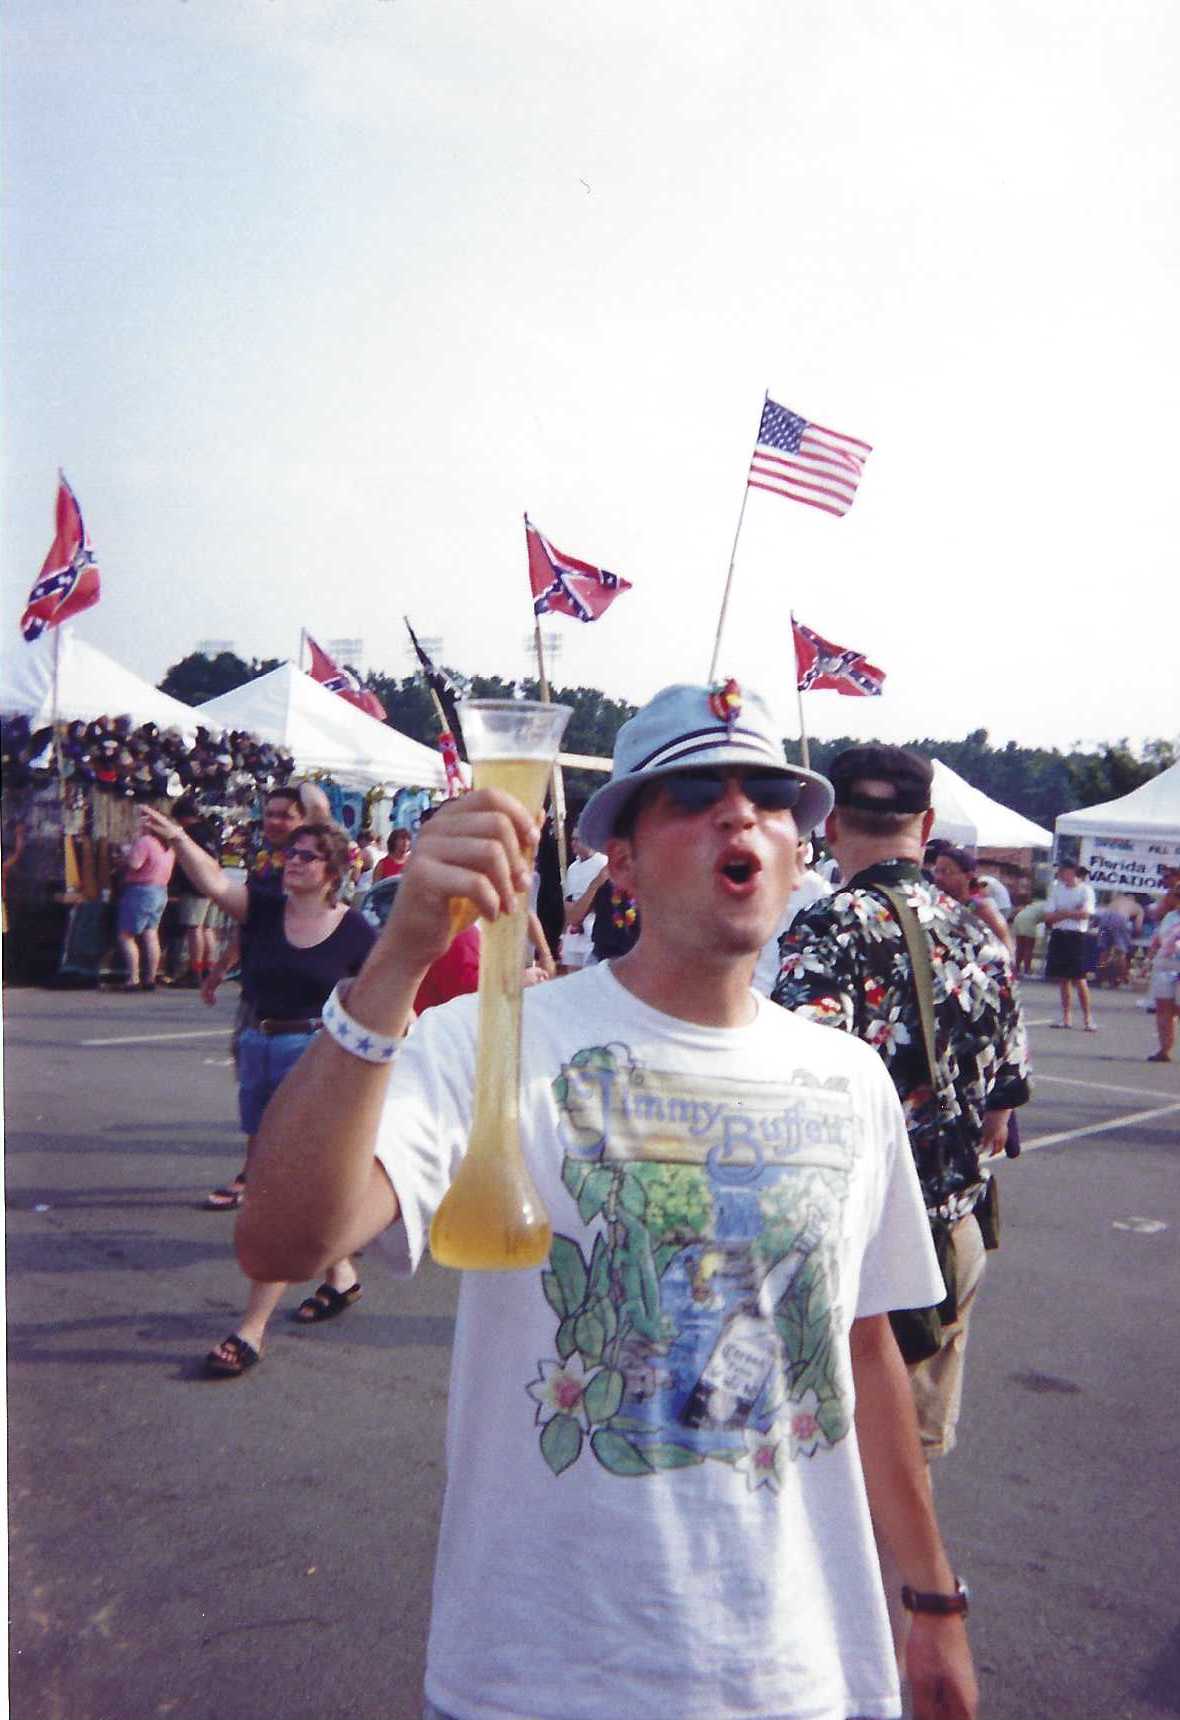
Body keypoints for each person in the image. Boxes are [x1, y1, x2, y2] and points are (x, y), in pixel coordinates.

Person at [240, 683, 978, 1720]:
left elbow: (863, 1350)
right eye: (692, 797)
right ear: (619, 861)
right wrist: (396, 961)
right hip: (537, 1676)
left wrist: (933, 1600)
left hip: (795, 1672)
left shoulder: (849, 1077)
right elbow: (282, 1239)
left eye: (769, 798)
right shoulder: (494, 1041)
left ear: (797, 849)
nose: (739, 815)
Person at [773, 743, 1028, 1645]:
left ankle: (841, 1642)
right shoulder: (982, 937)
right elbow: (1002, 1114)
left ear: (833, 825)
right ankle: (904, 1623)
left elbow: (794, 1092)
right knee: (910, 1459)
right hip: (955, 1235)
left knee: (828, 1471)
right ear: (925, 825)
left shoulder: (827, 930)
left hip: (859, 1254)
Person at [146, 808, 375, 1375]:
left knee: (279, 1187)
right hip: (259, 1045)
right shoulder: (266, 908)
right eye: (289, 853)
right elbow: (214, 883)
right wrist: (179, 838)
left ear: (333, 870)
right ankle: (341, 1274)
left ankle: (251, 1327)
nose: (291, 862)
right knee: (274, 1169)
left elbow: (384, 999)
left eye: (306, 856)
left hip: (315, 1056)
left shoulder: (355, 931)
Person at [752, 835, 832, 995]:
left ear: (806, 849)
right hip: (758, 981)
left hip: (792, 983)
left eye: (798, 844)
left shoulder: (819, 888)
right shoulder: (760, 883)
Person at [113, 823, 175, 991]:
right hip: (160, 891)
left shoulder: (146, 841)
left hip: (140, 890)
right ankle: (150, 979)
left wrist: (124, 857)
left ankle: (133, 979)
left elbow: (135, 864)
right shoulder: (169, 847)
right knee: (151, 934)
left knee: (126, 935)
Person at [1043, 859, 1098, 1031]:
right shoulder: (1056, 889)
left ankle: (1088, 1018)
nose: (1060, 874)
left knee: (1079, 979)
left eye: (1063, 870)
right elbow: (1049, 916)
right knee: (1063, 979)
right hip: (1059, 934)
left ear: (1072, 871)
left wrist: (1064, 913)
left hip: (1077, 936)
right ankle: (1066, 1017)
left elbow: (1086, 913)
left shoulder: (1085, 890)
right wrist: (1071, 913)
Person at [931, 846, 1014, 955]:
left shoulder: (976, 907)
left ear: (968, 875)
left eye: (946, 872)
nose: (938, 877)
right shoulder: (934, 905)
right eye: (936, 871)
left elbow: (1007, 949)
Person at [560, 832, 608, 971]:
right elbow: (568, 900)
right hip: (574, 932)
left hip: (593, 928)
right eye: (572, 839)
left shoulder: (603, 863)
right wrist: (563, 935)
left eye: (577, 839)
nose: (573, 843)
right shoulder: (572, 868)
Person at [1146, 878, 1180, 1062]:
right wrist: (1149, 957)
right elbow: (1158, 938)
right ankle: (1164, 1049)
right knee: (1163, 1009)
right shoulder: (1170, 916)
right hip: (1165, 965)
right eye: (1177, 895)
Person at [1010, 896, 1047, 978]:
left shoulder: (1038, 903)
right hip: (1029, 921)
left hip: (1019, 918)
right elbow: (1049, 920)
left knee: (1020, 947)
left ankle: (1016, 969)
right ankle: (1027, 970)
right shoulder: (1049, 906)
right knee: (1029, 947)